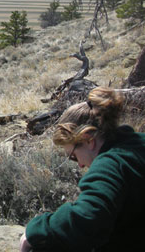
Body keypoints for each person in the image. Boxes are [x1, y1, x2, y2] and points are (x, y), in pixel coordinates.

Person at [19, 86, 145, 252]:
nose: (79, 164)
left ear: (88, 139)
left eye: (73, 155)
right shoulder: (137, 143)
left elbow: (88, 217)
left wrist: (37, 229)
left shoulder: (110, 165)